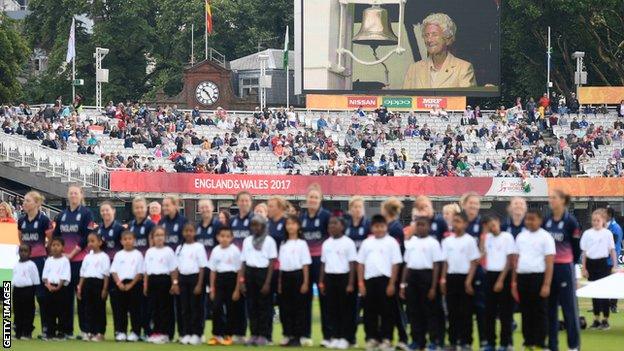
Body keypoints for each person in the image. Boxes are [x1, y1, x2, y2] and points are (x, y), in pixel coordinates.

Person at [52, 185, 95, 338]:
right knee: (64, 296)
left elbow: (86, 237)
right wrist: (60, 253)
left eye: (76, 193)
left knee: (81, 294)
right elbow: (56, 236)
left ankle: (85, 330)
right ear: (68, 196)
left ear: (81, 195)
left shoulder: (86, 213)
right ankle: (66, 330)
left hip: (80, 261)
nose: (73, 195)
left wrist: (73, 253)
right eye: (71, 193)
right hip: (64, 262)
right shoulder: (62, 215)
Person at [357, 214, 402, 351]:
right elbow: (360, 264)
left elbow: (396, 264)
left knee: (387, 312)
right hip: (369, 281)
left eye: (382, 226)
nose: (379, 229)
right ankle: (372, 338)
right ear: (372, 228)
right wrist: (361, 284)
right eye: (376, 227)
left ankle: (386, 339)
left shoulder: (391, 242)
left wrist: (391, 284)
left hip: (386, 281)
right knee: (370, 312)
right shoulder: (367, 243)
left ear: (386, 227)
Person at [543, 190, 581, 351]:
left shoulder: (571, 221)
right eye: (550, 198)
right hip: (549, 269)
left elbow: (576, 249)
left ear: (563, 201)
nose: (551, 200)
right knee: (550, 310)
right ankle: (552, 346)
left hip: (565, 268)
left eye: (554, 198)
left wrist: (574, 269)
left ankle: (573, 346)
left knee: (569, 309)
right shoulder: (547, 221)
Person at [513, 209, 555, 350]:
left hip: (538, 277)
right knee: (525, 311)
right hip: (522, 277)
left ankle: (540, 342)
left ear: (540, 220)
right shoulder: (521, 236)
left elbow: (549, 262)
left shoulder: (546, 237)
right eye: (527, 219)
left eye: (533, 219)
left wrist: (546, 284)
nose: (530, 222)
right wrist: (514, 281)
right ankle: (528, 341)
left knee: (540, 311)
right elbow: (516, 260)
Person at [400, 216, 443, 350]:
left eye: (423, 225)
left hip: (427, 277)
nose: (420, 227)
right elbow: (406, 264)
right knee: (413, 311)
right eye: (417, 225)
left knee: (429, 311)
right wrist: (402, 284)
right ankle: (417, 341)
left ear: (428, 227)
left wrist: (433, 287)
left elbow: (436, 265)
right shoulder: (411, 242)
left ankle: (433, 341)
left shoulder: (433, 243)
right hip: (412, 278)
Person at [403, 13, 476, 89]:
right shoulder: (413, 69)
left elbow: (466, 100)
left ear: (447, 39)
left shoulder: (464, 68)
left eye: (434, 35)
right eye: (426, 35)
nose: (429, 40)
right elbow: (405, 100)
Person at [440, 211, 481, 350]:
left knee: (466, 312)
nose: (455, 224)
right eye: (454, 221)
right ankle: (452, 341)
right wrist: (443, 279)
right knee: (452, 312)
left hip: (465, 278)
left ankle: (466, 342)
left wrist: (469, 281)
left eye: (459, 221)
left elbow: (474, 262)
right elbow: (445, 262)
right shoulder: (447, 241)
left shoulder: (469, 240)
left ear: (465, 224)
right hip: (451, 278)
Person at [18, 191, 53, 336]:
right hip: (26, 261)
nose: (24, 203)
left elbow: (51, 240)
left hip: (40, 261)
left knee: (42, 296)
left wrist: (43, 251)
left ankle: (47, 329)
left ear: (37, 203)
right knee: (26, 296)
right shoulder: (21, 220)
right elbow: (21, 239)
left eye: (28, 201)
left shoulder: (44, 220)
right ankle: (25, 329)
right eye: (24, 201)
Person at [300, 184, 331, 346]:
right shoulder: (302, 217)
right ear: (307, 199)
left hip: (321, 264)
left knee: (325, 300)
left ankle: (327, 337)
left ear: (320, 200)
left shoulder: (326, 216)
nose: (312, 200)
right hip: (305, 264)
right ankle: (305, 335)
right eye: (310, 197)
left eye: (315, 197)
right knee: (304, 300)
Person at [320, 216, 357, 350]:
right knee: (332, 309)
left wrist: (351, 283)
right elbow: (323, 264)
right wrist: (321, 282)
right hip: (330, 278)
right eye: (330, 224)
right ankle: (335, 336)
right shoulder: (326, 243)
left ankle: (345, 337)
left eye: (335, 224)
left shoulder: (348, 243)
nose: (332, 226)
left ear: (342, 226)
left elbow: (352, 264)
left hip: (344, 277)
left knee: (345, 309)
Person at [239, 215, 277, 346]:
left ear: (263, 226)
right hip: (250, 273)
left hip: (263, 273)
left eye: (258, 225)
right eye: (253, 225)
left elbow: (272, 263)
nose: (255, 227)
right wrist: (242, 281)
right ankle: (254, 334)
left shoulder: (269, 241)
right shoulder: (247, 240)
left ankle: (264, 335)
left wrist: (267, 282)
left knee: (264, 307)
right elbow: (243, 261)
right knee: (252, 306)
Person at [480, 215, 516, 351]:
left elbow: (510, 261)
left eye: (494, 223)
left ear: (498, 222)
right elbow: (481, 254)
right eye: (489, 225)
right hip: (490, 275)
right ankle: (490, 343)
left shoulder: (507, 237)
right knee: (489, 313)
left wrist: (501, 280)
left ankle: (505, 343)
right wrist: (484, 234)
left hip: (504, 276)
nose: (492, 226)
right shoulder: (488, 237)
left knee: (505, 313)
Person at [278, 215, 311, 347]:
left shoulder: (302, 243)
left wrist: (305, 282)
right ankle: (288, 334)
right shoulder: (283, 243)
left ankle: (297, 336)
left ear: (298, 226)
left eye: (293, 224)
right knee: (285, 307)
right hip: (285, 276)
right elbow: (281, 265)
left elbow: (305, 264)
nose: (290, 226)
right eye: (288, 224)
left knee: (298, 307)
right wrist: (280, 283)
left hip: (298, 276)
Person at [580, 209, 617, 330]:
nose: (596, 222)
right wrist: (584, 268)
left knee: (604, 293)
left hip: (603, 264)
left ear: (603, 221)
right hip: (591, 265)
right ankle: (596, 319)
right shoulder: (587, 233)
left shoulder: (607, 233)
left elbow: (612, 250)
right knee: (594, 293)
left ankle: (605, 320)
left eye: (598, 220)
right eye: (594, 220)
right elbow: (584, 252)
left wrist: (615, 266)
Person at [143, 227, 179, 344]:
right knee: (154, 308)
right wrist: (145, 285)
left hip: (165, 280)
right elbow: (146, 271)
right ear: (152, 238)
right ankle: (156, 332)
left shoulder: (168, 251)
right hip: (152, 281)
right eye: (156, 235)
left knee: (165, 308)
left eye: (161, 235)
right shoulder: (149, 252)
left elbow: (173, 269)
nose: (159, 237)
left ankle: (166, 333)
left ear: (165, 237)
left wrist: (174, 283)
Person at [208, 227, 242, 346]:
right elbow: (212, 271)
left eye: (227, 236)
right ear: (218, 237)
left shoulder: (235, 251)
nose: (225, 239)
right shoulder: (215, 250)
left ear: (232, 238)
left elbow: (239, 271)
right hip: (219, 281)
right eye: (222, 236)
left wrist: (237, 289)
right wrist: (212, 288)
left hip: (232, 280)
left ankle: (228, 334)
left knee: (231, 308)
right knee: (216, 307)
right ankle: (217, 334)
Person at [175, 223, 209, 345]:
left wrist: (200, 284)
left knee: (196, 308)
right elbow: (176, 267)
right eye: (186, 231)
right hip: (183, 279)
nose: (188, 233)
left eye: (191, 231)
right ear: (183, 233)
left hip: (195, 279)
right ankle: (186, 333)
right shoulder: (180, 248)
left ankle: (197, 334)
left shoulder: (199, 247)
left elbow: (202, 267)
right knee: (185, 308)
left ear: (194, 233)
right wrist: (176, 283)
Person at [110, 231, 144, 342]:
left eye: (130, 239)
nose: (127, 241)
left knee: (135, 310)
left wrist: (131, 284)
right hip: (120, 284)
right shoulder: (118, 254)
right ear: (121, 241)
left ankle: (135, 332)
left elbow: (140, 273)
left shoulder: (138, 254)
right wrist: (119, 283)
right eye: (125, 239)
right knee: (121, 310)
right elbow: (114, 271)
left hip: (134, 284)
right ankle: (121, 332)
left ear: (134, 240)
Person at [77, 233, 110, 341]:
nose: (90, 243)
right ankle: (89, 331)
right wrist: (80, 287)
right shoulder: (87, 256)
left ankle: (100, 332)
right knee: (88, 308)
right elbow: (83, 273)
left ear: (100, 243)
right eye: (89, 241)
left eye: (93, 241)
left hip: (98, 283)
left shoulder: (104, 256)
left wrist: (105, 289)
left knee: (99, 308)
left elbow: (106, 274)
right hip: (87, 283)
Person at [42, 237, 71, 340]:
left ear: (63, 247)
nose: (55, 247)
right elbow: (45, 276)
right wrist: (48, 285)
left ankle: (61, 332)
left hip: (61, 289)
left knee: (62, 311)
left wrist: (58, 287)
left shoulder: (65, 260)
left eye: (58, 245)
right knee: (50, 311)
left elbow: (65, 275)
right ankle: (50, 332)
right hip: (49, 288)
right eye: (53, 245)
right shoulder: (48, 260)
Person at [12, 244, 41, 340]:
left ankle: (27, 332)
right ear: (18, 252)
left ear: (30, 253)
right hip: (17, 290)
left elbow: (35, 279)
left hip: (28, 290)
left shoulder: (31, 265)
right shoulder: (16, 265)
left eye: (25, 251)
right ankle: (18, 332)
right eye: (21, 251)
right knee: (18, 311)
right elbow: (15, 277)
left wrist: (34, 292)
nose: (23, 253)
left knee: (28, 312)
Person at [606, 208, 622, 313]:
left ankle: (613, 306)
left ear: (610, 215)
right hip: (605, 260)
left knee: (613, 284)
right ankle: (604, 305)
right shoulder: (605, 226)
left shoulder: (615, 228)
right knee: (604, 284)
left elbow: (615, 245)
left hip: (612, 261)